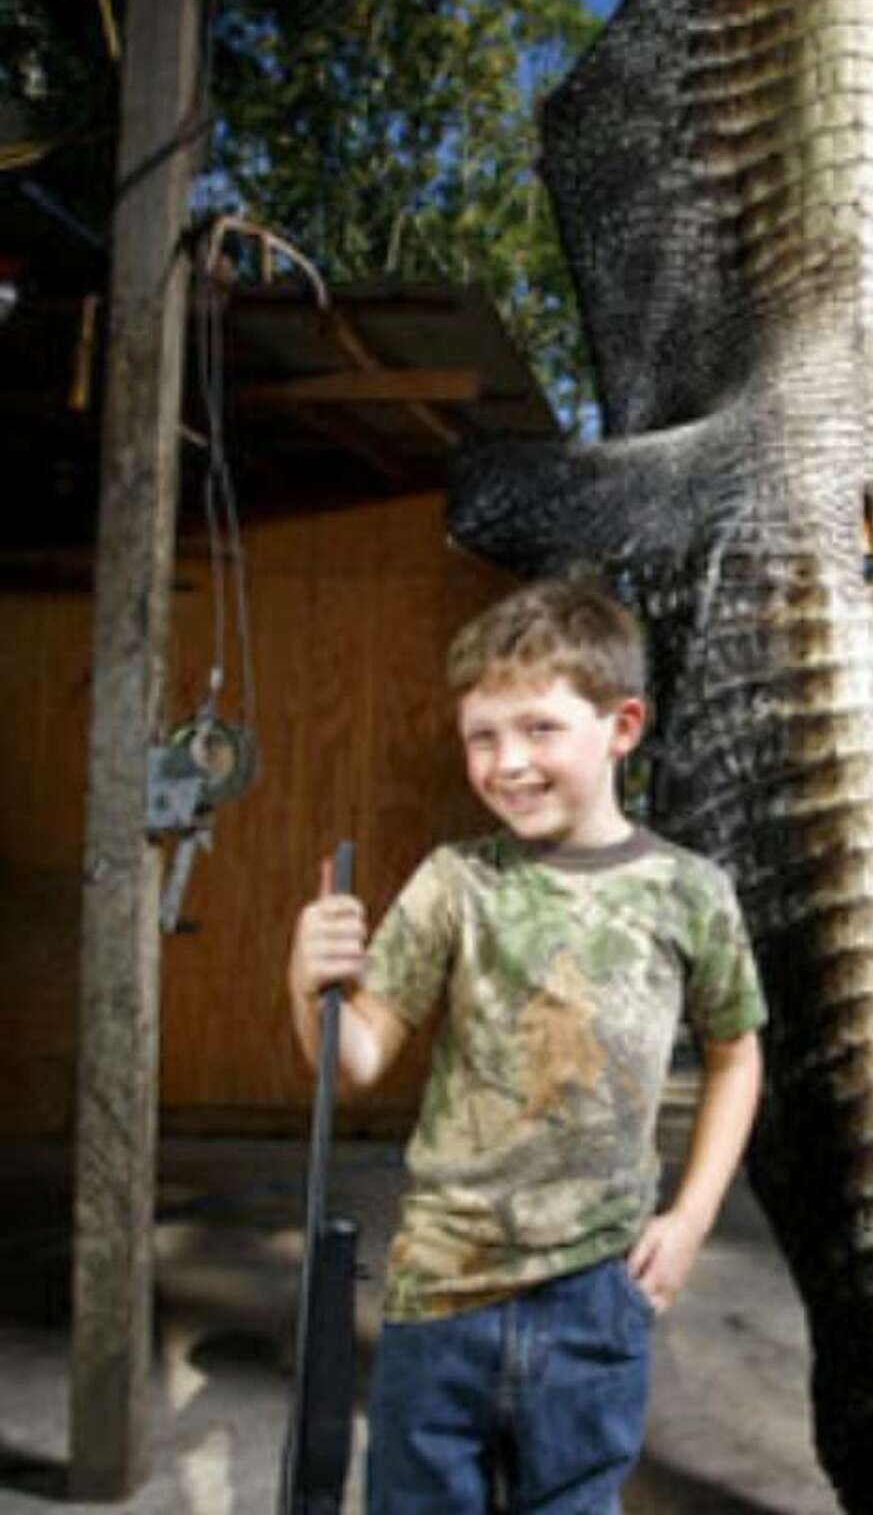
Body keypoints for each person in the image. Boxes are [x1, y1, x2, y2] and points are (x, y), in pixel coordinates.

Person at [288, 575, 766, 1515]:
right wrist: (309, 989)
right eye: (482, 736)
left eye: (540, 729)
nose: (508, 762)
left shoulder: (690, 892)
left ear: (622, 724)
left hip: (599, 1297)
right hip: (442, 1292)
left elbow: (736, 1055)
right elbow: (357, 1059)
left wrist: (693, 1217)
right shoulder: (454, 881)